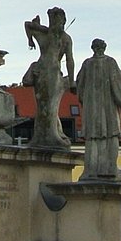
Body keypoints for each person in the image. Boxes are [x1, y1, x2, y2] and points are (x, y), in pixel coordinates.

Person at [73, 39, 121, 179]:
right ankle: (110, 169)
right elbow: (118, 83)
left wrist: (86, 99)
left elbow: (79, 86)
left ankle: (91, 170)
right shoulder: (110, 63)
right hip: (108, 109)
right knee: (111, 136)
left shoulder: (87, 64)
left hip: (92, 110)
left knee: (92, 138)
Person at [23, 8, 76, 150]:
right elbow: (27, 24)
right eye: (52, 19)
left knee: (52, 105)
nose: (55, 23)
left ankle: (54, 134)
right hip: (41, 72)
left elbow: (70, 60)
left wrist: (72, 80)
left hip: (53, 73)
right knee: (42, 106)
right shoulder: (46, 32)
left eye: (57, 20)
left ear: (63, 21)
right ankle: (42, 136)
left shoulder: (64, 38)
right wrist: (30, 40)